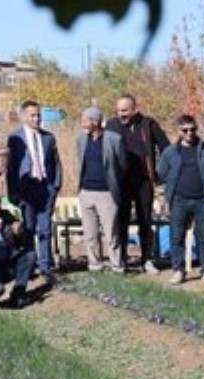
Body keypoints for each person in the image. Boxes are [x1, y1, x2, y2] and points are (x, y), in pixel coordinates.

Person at [156, 114, 204, 285]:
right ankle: (179, 270)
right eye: (185, 130)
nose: (189, 133)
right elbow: (161, 172)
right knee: (176, 237)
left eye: (192, 129)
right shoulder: (170, 152)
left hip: (202, 199)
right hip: (178, 200)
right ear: (178, 131)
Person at [107, 94, 171, 272]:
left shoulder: (148, 124)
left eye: (125, 110)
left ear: (134, 110)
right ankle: (122, 260)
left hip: (144, 181)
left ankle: (147, 259)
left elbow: (166, 148)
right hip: (121, 182)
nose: (121, 114)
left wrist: (160, 173)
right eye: (119, 111)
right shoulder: (112, 126)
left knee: (145, 220)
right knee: (121, 220)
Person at [6, 100, 62, 284]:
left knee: (45, 229)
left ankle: (45, 267)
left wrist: (55, 186)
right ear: (23, 116)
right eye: (32, 115)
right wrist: (13, 193)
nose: (36, 118)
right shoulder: (15, 138)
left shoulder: (48, 138)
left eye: (38, 115)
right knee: (28, 230)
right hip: (26, 189)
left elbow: (56, 163)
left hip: (45, 188)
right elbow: (11, 168)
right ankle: (29, 266)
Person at [75, 106, 127, 272]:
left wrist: (115, 186)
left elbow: (123, 166)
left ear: (95, 122)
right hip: (86, 192)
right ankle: (95, 264)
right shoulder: (81, 140)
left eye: (85, 120)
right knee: (90, 234)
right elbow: (81, 162)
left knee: (111, 233)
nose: (82, 123)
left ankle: (117, 265)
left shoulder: (114, 139)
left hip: (106, 193)